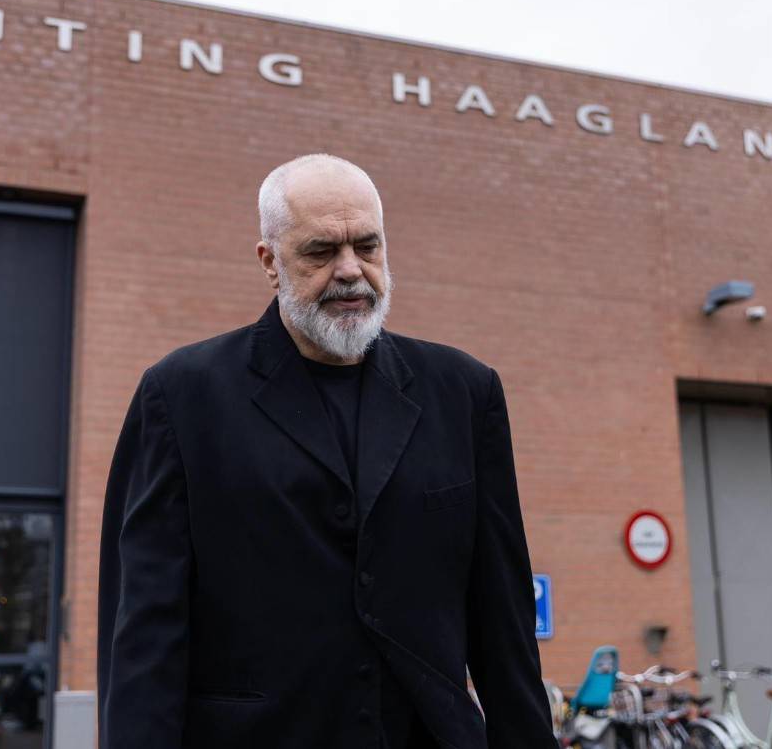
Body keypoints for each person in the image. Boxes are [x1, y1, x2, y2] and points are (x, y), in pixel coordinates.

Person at [97, 153, 556, 749]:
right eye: (321, 251)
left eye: (367, 247)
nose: (350, 271)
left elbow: (503, 618)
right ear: (269, 261)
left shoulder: (465, 392)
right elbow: (145, 628)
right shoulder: (182, 395)